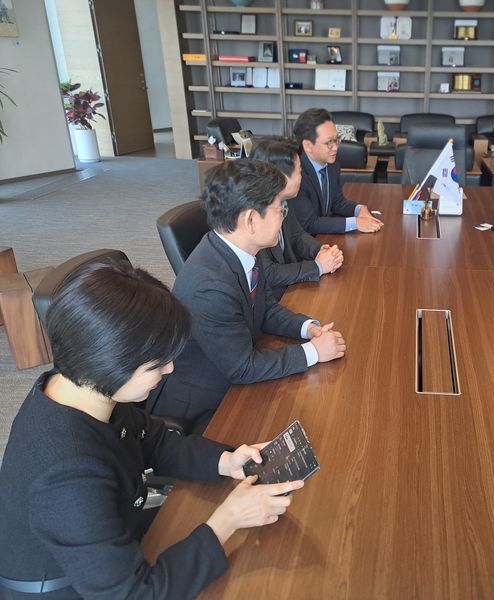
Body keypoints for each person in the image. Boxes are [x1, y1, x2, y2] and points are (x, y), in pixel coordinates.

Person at [0, 262, 305, 598]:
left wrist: (226, 461)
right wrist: (228, 520)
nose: (170, 368)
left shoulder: (83, 388)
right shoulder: (67, 476)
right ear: (110, 362)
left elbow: (152, 439)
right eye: (156, 364)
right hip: (71, 586)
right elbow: (134, 594)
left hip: (111, 533)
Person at [148, 160, 346, 432]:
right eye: (280, 209)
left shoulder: (242, 251)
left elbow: (265, 307)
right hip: (209, 401)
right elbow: (242, 368)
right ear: (251, 220)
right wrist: (313, 352)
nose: (284, 217)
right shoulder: (210, 287)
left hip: (235, 366)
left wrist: (307, 328)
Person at [250, 137, 344, 300]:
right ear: (280, 176)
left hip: (291, 288)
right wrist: (318, 266)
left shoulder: (284, 200)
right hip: (270, 300)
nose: (302, 177)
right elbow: (268, 273)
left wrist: (320, 250)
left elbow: (297, 235)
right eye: (299, 172)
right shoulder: (254, 216)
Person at [292, 107, 384, 235]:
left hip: (324, 237)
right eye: (329, 142)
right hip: (305, 242)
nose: (335, 147)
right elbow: (310, 223)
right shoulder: (296, 174)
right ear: (308, 145)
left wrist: (359, 209)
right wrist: (356, 223)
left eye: (336, 140)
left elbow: (337, 203)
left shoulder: (332, 164)